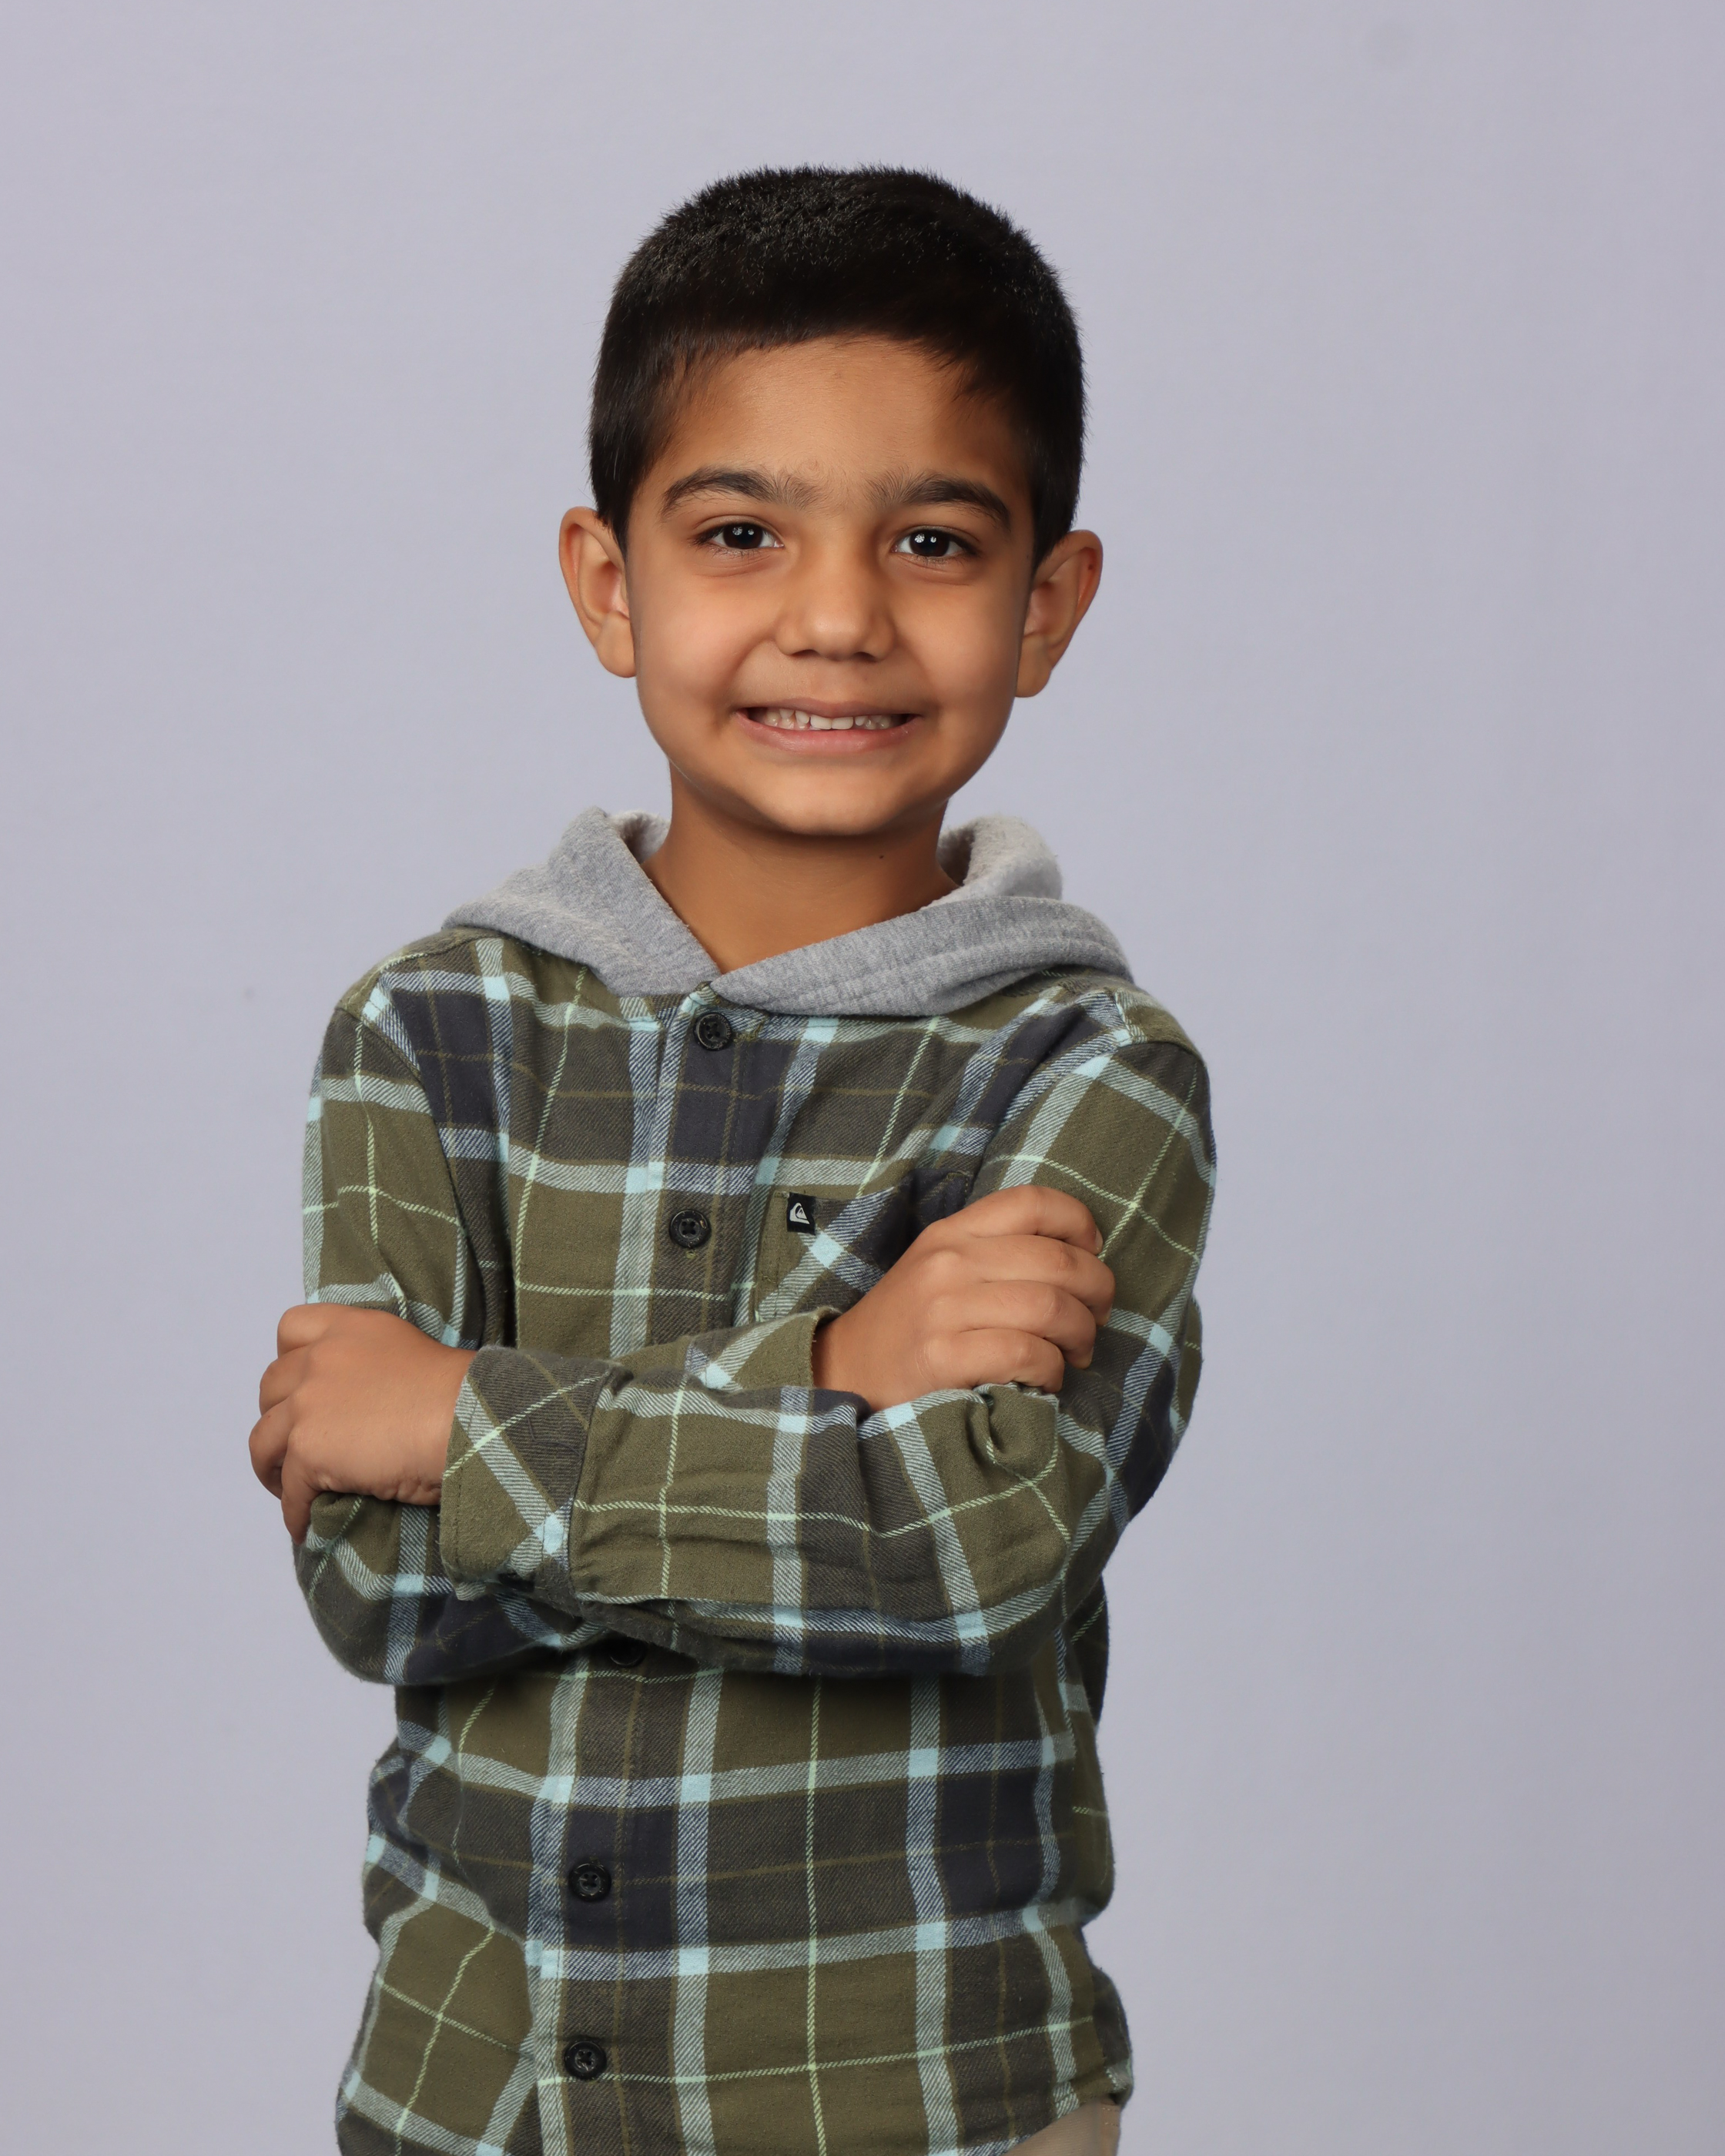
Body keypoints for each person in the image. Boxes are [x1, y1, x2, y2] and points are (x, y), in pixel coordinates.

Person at [250, 166, 1214, 2156]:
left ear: (1047, 603)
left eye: (932, 540)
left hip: (932, 2098)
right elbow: (373, 1575)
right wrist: (840, 1380)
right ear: (611, 582)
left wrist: (459, 1425)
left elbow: (961, 1551)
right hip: (481, 2090)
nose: (837, 617)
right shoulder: (430, 1033)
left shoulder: (1087, 1068)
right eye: (741, 533)